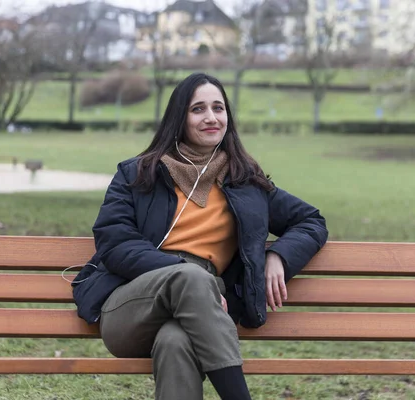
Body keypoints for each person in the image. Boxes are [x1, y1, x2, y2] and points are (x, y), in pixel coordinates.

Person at [72, 72, 328, 400]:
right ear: (179, 117)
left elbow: (311, 220)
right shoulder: (138, 174)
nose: (211, 117)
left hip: (202, 310)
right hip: (131, 306)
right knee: (191, 278)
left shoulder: (245, 182)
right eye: (198, 109)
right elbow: (115, 243)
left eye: (218, 108)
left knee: (176, 341)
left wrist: (278, 255)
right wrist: (182, 272)